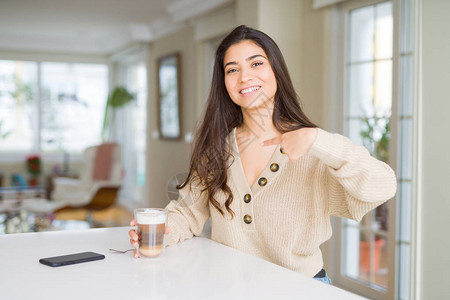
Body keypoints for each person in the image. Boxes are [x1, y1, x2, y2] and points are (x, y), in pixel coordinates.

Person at [128, 25, 397, 285]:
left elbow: (382, 186)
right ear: (224, 83)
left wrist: (317, 139)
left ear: (276, 71)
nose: (245, 77)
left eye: (256, 64)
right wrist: (162, 231)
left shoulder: (314, 147)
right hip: (229, 288)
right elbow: (188, 213)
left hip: (301, 290)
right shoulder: (217, 149)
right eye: (232, 69)